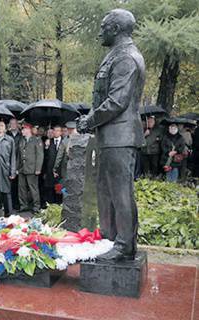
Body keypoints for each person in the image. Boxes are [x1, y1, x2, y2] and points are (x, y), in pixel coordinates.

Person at [78, 9, 145, 261]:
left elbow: (117, 101)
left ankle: (124, 245)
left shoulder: (126, 57)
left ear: (116, 29)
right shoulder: (115, 56)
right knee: (106, 191)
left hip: (121, 136)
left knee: (120, 192)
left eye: (104, 27)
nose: (100, 31)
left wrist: (89, 120)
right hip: (110, 137)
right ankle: (110, 238)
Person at [0, 120, 16, 218]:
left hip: (5, 169)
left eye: (2, 125)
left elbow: (13, 156)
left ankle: (8, 215)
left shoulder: (9, 140)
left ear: (5, 128)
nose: (0, 127)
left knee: (6, 193)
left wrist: (12, 171)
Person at [17, 123, 44, 213]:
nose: (22, 131)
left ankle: (36, 207)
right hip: (22, 168)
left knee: (33, 188)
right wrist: (17, 168)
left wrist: (38, 168)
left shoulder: (36, 140)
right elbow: (19, 155)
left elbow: (40, 155)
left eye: (24, 129)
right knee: (22, 189)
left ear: (29, 130)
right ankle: (23, 205)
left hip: (32, 168)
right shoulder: (22, 140)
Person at [41, 125, 63, 206]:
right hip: (49, 171)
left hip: (60, 171)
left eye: (58, 131)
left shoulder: (64, 142)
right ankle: (50, 206)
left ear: (61, 132)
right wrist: (46, 147)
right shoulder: (49, 142)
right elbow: (45, 158)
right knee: (49, 189)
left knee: (59, 189)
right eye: (54, 130)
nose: (56, 132)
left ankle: (59, 205)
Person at [7, 118, 21, 210]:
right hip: (8, 161)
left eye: (14, 123)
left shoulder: (21, 135)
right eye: (11, 123)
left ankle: (16, 203)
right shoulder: (7, 135)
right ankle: (8, 204)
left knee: (17, 185)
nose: (13, 125)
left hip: (18, 161)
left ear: (17, 125)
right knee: (8, 185)